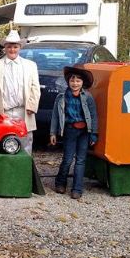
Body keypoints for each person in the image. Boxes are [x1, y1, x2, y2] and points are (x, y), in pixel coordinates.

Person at [0, 30, 40, 155]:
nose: (12, 50)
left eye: (15, 46)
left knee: (25, 142)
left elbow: (35, 88)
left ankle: (25, 171)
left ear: (20, 47)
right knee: (4, 143)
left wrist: (32, 106)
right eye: (9, 46)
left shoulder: (30, 65)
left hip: (24, 111)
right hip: (4, 112)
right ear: (5, 48)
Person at [49, 66, 98, 199]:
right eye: (72, 80)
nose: (75, 83)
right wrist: (53, 133)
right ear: (68, 82)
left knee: (81, 160)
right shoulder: (61, 97)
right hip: (70, 130)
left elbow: (93, 115)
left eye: (78, 81)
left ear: (82, 83)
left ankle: (77, 188)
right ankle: (60, 182)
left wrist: (94, 133)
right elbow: (55, 116)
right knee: (67, 159)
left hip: (84, 132)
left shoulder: (87, 96)